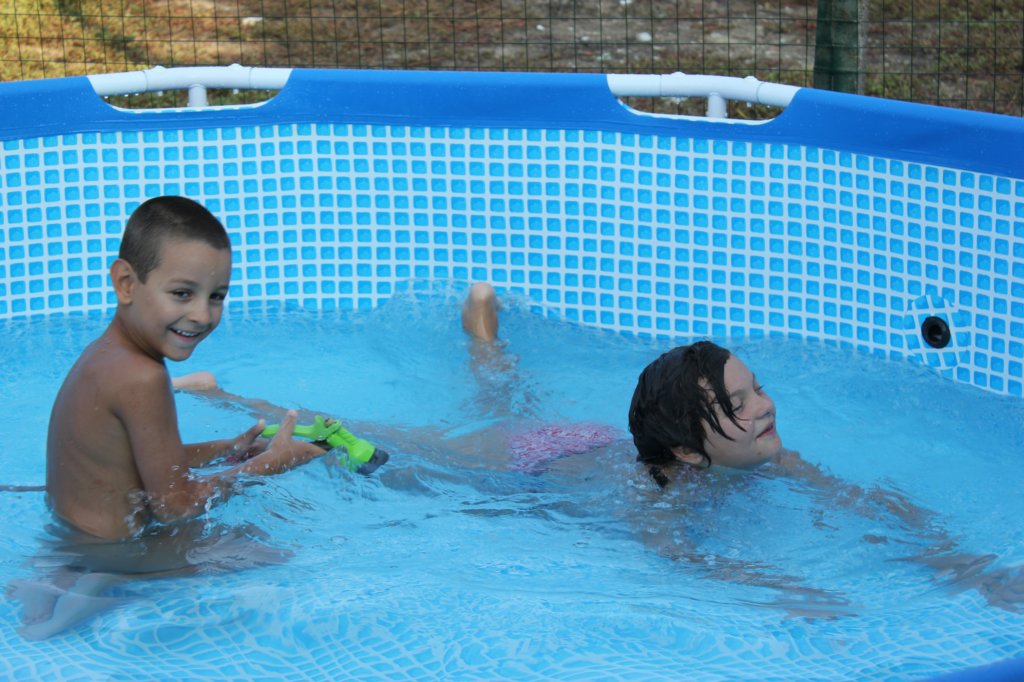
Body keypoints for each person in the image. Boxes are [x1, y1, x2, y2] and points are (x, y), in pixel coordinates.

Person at [10, 196, 331, 639]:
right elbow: (175, 507)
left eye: (216, 297)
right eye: (182, 293)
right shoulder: (143, 377)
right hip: (114, 551)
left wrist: (228, 450)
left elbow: (134, 460)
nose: (202, 314)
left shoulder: (106, 355)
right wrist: (268, 465)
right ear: (126, 283)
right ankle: (101, 588)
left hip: (69, 536)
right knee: (266, 551)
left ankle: (59, 579)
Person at [628, 339, 1024, 614]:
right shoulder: (666, 492)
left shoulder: (776, 459)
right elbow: (676, 555)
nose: (765, 406)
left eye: (758, 388)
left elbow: (861, 501)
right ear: (688, 452)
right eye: (737, 406)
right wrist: (782, 588)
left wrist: (968, 567)